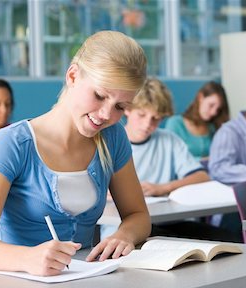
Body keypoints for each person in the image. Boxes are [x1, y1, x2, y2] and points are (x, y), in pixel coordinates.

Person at [0, 31, 151, 276]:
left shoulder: (113, 138)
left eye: (120, 106)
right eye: (99, 96)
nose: (106, 114)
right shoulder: (12, 144)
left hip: (85, 284)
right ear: (72, 76)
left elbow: (138, 215)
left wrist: (124, 235)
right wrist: (27, 258)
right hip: (15, 287)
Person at [102, 78, 239, 242]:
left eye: (156, 118)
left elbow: (202, 176)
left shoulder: (169, 140)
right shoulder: (110, 141)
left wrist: (163, 188)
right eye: (142, 115)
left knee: (229, 239)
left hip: (169, 222)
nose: (148, 124)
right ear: (128, 109)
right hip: (123, 226)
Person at [164, 81, 229, 160]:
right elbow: (171, 158)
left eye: (218, 109)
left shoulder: (213, 127)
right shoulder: (175, 123)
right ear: (200, 98)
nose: (213, 112)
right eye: (211, 105)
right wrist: (203, 160)